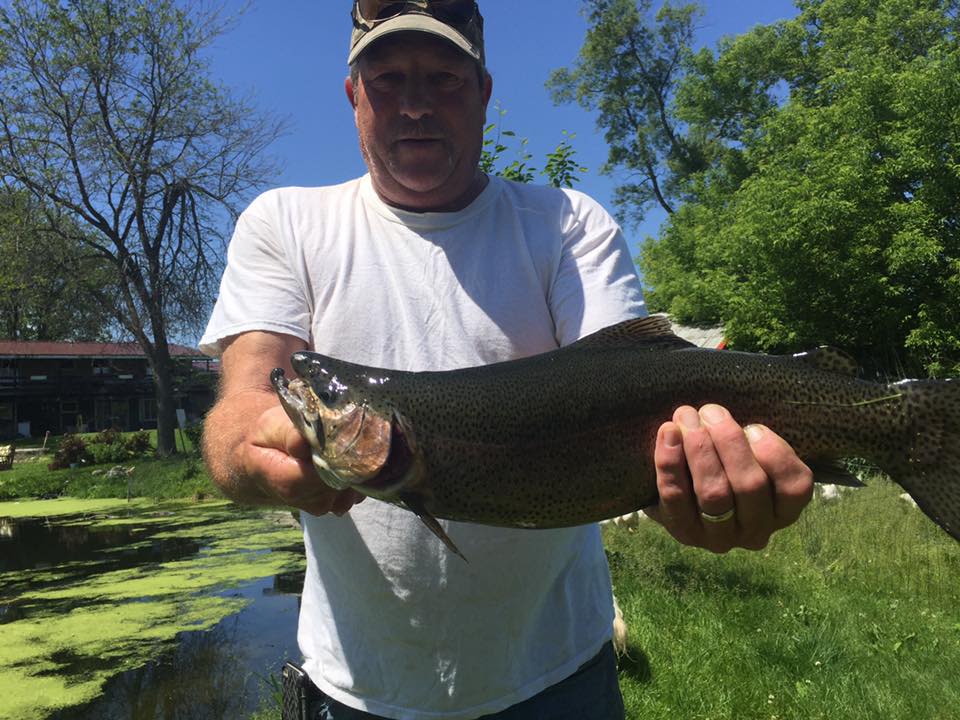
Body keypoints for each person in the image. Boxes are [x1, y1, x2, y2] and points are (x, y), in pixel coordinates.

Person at [200, 2, 814, 718]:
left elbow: (637, 395)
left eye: (445, 78)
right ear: (353, 95)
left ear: (485, 92)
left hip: (559, 675)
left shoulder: (568, 223)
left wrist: (695, 503)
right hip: (358, 691)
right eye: (390, 79)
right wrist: (254, 451)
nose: (417, 104)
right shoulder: (284, 224)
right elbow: (244, 405)